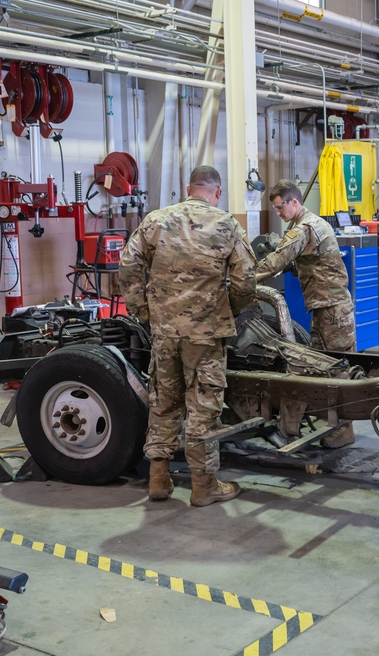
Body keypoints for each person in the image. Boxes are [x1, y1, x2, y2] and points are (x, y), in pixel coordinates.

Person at [120, 165, 257, 506]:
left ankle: (159, 479)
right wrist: (233, 308)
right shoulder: (227, 224)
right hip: (206, 335)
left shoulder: (156, 220)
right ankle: (203, 485)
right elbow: (246, 279)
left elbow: (127, 264)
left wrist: (144, 311)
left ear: (188, 188)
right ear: (218, 191)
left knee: (164, 402)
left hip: (164, 332)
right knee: (202, 407)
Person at [256, 179, 357, 447]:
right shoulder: (314, 223)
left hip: (332, 310)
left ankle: (344, 430)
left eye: (280, 208)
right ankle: (329, 422)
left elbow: (276, 260)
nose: (278, 214)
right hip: (328, 309)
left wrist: (244, 278)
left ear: (294, 202)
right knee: (319, 367)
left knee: (338, 370)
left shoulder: (304, 228)